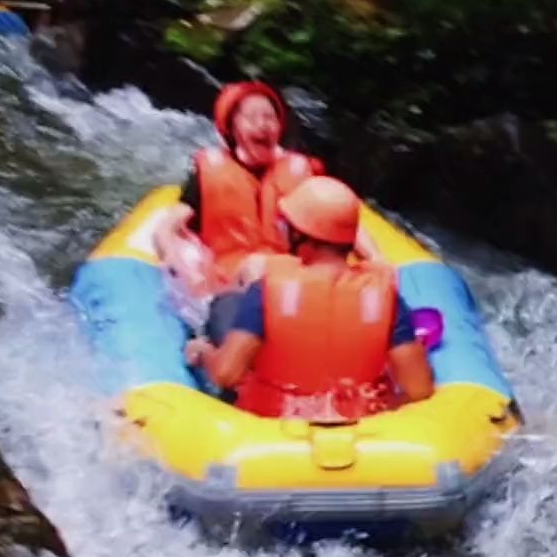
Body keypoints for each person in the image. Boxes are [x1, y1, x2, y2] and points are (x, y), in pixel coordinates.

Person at [185, 175, 437, 420]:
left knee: (225, 306)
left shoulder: (267, 288)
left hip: (276, 424)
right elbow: (419, 388)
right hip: (359, 423)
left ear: (300, 235)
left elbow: (226, 374)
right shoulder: (385, 296)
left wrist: (204, 353)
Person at [150, 81, 325, 297]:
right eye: (251, 118)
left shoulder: (300, 172)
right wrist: (177, 264)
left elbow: (342, 220)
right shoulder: (210, 173)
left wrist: (376, 260)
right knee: (255, 269)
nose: (262, 125)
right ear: (233, 128)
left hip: (290, 280)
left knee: (263, 269)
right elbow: (166, 228)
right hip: (228, 285)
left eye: (270, 118)